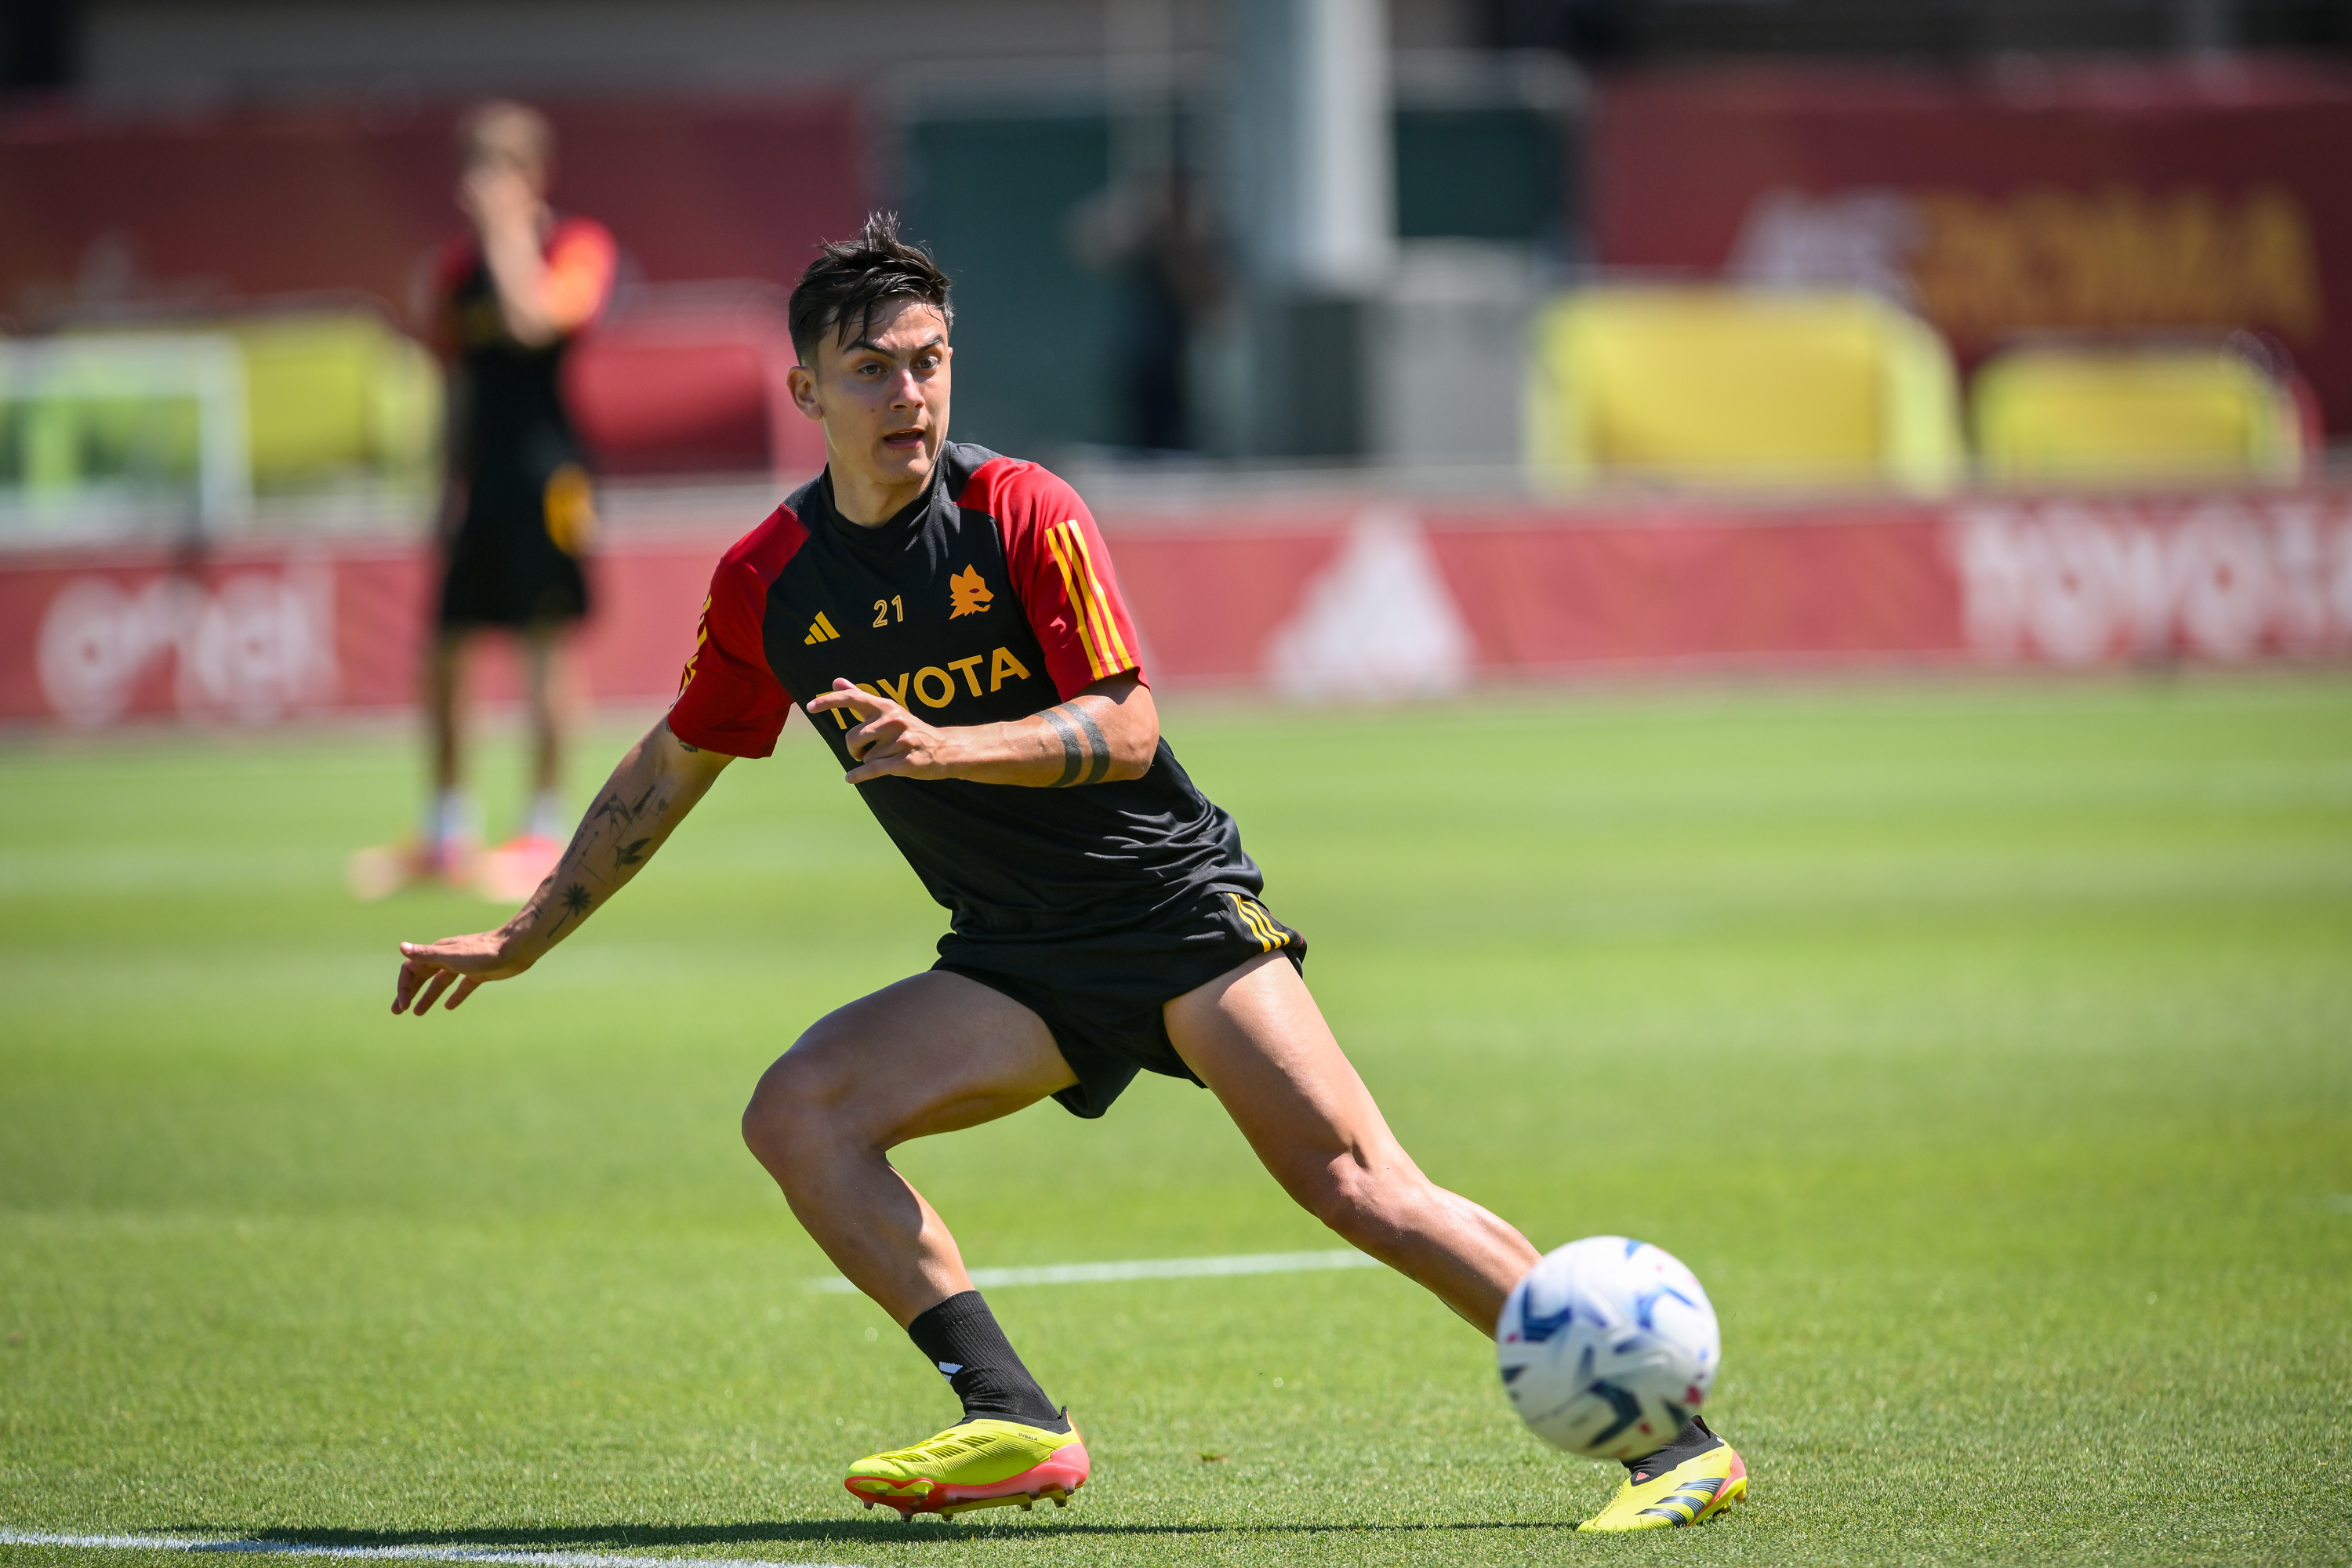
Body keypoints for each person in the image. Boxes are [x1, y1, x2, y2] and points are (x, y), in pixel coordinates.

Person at [387, 213, 1744, 1532]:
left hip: (1170, 915)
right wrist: (523, 937)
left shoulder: (1020, 509)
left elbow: (1129, 724)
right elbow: (670, 764)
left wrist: (948, 745)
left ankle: (1675, 1447)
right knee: (798, 1111)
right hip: (1015, 954)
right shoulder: (770, 581)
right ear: (806, 388)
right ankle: (1015, 1415)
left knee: (1361, 1188)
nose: (907, 392)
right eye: (871, 369)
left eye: (928, 360)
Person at [351, 101, 617, 902]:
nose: (477, 187)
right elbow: (455, 380)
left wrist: (507, 233)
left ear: (532, 177)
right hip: (481, 481)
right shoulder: (452, 270)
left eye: (495, 171)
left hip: (550, 477)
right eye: (470, 171)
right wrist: (442, 484)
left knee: (547, 647)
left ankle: (543, 828)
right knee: (443, 652)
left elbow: (536, 322)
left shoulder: (576, 247)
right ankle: (443, 831)